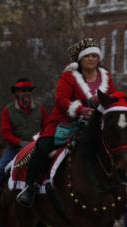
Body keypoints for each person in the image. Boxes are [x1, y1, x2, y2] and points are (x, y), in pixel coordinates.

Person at [17, 38, 116, 207]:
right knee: (42, 147)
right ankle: (30, 187)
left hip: (97, 123)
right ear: (80, 59)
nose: (91, 59)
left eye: (94, 55)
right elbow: (61, 99)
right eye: (87, 56)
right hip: (66, 122)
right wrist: (80, 110)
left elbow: (112, 97)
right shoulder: (69, 77)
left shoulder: (106, 77)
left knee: (119, 144)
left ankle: (120, 184)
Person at [0, 78, 48, 220]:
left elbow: (47, 127)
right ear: (16, 93)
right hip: (15, 149)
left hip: (37, 148)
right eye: (22, 91)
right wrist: (19, 142)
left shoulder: (41, 109)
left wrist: (40, 139)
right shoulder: (8, 110)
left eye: (28, 90)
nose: (26, 93)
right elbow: (5, 132)